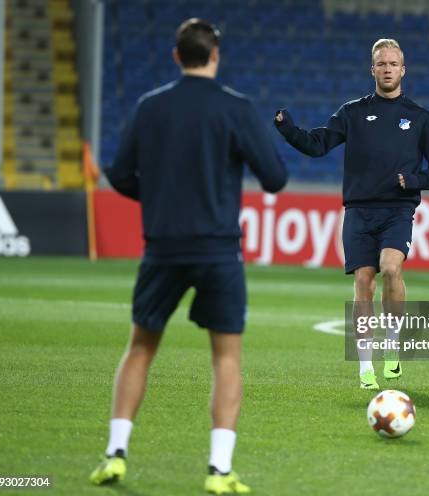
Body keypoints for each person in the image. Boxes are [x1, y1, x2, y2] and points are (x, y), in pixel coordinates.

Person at [90, 18, 287, 494]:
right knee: (226, 358)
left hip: (163, 245)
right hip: (218, 248)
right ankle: (219, 470)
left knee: (140, 347)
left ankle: (115, 454)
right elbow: (275, 178)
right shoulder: (235, 108)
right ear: (215, 56)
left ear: (177, 57)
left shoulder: (150, 106)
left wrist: (158, 197)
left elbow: (117, 174)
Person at [274, 39, 429, 390]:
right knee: (363, 284)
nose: (387, 69)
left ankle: (393, 345)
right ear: (372, 70)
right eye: (381, 63)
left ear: (403, 70)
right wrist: (286, 127)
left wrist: (415, 180)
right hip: (358, 211)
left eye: (393, 64)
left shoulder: (419, 118)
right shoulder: (353, 112)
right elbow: (316, 144)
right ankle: (366, 367)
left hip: (397, 209)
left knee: (390, 267)